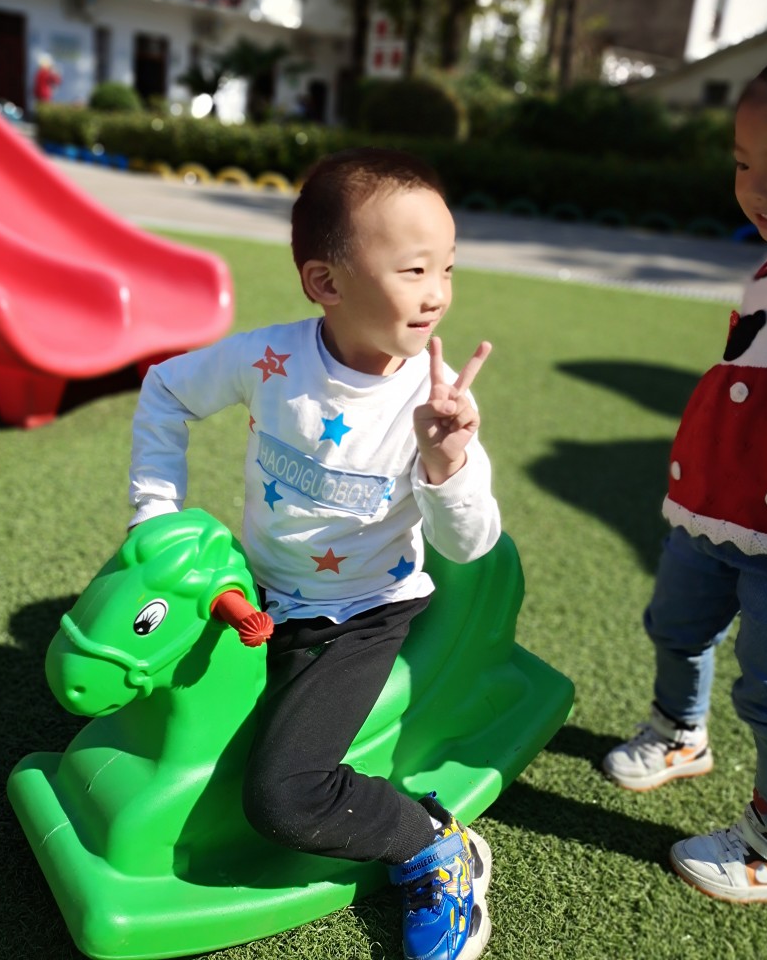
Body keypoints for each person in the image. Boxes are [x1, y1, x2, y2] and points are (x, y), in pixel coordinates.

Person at [129, 146, 501, 960]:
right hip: (258, 589)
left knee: (285, 798)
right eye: (413, 269)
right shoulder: (272, 359)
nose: (437, 292)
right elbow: (166, 391)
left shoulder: (431, 404)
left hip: (358, 616)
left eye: (447, 267)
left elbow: (470, 543)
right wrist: (154, 519)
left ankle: (433, 844)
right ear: (325, 282)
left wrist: (446, 461)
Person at [602, 56, 767, 902]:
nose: (758, 189)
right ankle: (680, 731)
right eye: (744, 164)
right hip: (714, 504)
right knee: (676, 622)